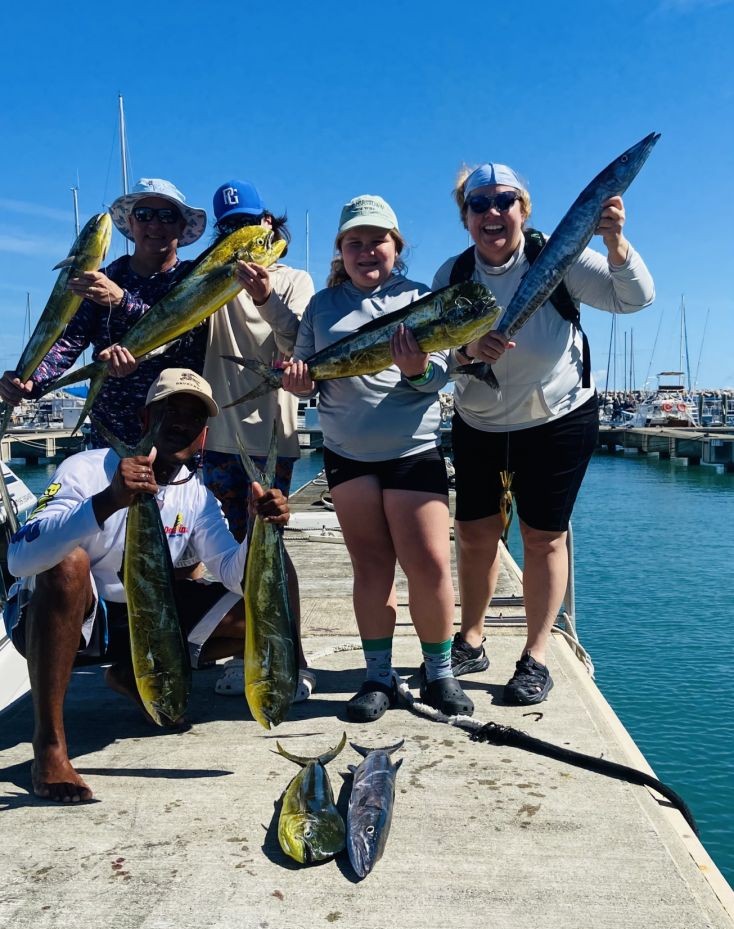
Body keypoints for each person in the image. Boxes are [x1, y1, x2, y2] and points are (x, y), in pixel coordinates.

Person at [4, 369, 290, 803]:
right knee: (68, 564)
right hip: (69, 622)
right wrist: (108, 500)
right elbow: (19, 558)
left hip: (146, 620)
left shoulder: (197, 494)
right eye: (170, 410)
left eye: (194, 417)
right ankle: (49, 744)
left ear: (203, 435)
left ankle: (132, 676)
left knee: (253, 616)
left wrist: (258, 527)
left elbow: (235, 575)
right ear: (144, 418)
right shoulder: (85, 468)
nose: (182, 423)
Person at [434, 162, 655, 704]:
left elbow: (634, 298)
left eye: (504, 201)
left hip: (557, 417)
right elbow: (435, 350)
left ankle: (535, 655)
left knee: (543, 537)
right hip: (480, 420)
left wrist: (616, 244)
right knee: (475, 533)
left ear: (523, 210)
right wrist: (467, 350)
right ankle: (471, 638)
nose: (492, 212)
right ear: (465, 217)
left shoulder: (561, 257)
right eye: (479, 204)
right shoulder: (453, 274)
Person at [282, 195, 474, 722]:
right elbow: (307, 370)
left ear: (397, 246)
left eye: (377, 241)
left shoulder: (421, 298)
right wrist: (297, 381)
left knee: (429, 566)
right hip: (348, 455)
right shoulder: (322, 306)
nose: (366, 251)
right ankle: (378, 675)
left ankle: (440, 672)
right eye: (355, 242)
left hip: (412, 449)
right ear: (340, 250)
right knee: (371, 568)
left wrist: (417, 370)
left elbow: (440, 375)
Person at [202, 178, 316, 701]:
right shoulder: (210, 279)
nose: (239, 235)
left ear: (267, 224)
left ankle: (294, 657)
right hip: (217, 439)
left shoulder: (295, 279)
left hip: (272, 438)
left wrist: (265, 296)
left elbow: (300, 345)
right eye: (229, 228)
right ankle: (251, 651)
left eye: (247, 224)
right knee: (232, 553)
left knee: (271, 546)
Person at [0, 178, 208, 448]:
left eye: (166, 216)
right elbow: (68, 341)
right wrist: (31, 380)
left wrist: (122, 301)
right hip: (110, 435)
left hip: (176, 435)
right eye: (144, 215)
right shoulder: (106, 277)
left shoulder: (196, 279)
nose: (155, 225)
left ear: (182, 225)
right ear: (131, 223)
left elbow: (189, 335)